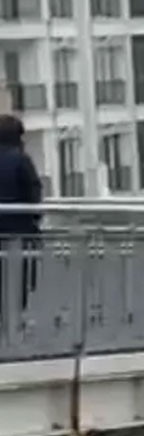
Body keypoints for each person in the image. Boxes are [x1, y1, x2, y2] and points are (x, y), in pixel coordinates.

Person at [0, 114, 43, 308]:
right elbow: (33, 193)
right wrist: (35, 219)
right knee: (18, 283)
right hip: (20, 232)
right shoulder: (21, 160)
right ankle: (15, 322)